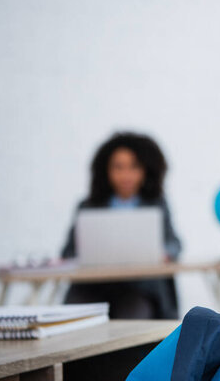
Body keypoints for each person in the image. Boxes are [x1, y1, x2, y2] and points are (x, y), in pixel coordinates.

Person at [61, 132, 182, 319]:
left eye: (134, 167)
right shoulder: (88, 207)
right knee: (73, 314)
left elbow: (175, 243)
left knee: (134, 315)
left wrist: (164, 253)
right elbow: (68, 253)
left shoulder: (156, 205)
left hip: (140, 288)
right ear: (106, 171)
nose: (126, 175)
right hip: (92, 287)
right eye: (118, 167)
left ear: (145, 170)